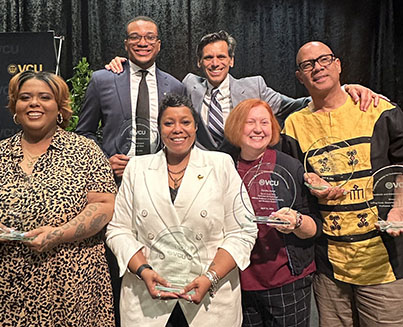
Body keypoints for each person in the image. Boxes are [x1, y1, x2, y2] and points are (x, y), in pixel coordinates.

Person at [0, 70, 116, 326]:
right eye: (25, 97)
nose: (34, 103)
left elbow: (104, 205)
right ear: (15, 106)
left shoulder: (85, 151)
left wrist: (59, 234)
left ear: (59, 107)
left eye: (44, 97)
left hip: (69, 293)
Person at [105, 94, 257, 327]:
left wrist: (210, 277)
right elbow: (118, 230)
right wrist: (143, 270)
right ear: (159, 128)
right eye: (169, 123)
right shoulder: (137, 168)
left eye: (185, 122)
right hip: (147, 299)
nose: (178, 129)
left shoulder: (220, 164)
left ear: (196, 127)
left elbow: (243, 230)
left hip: (210, 301)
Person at [281, 41, 403, 326]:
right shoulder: (294, 125)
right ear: (300, 76)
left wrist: (398, 209)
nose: (317, 67)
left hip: (383, 261)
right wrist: (311, 181)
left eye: (324, 59)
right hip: (329, 268)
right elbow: (294, 181)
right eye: (307, 64)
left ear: (338, 64)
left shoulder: (376, 109)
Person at [107, 30, 380, 152]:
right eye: (209, 58)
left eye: (221, 57)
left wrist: (342, 90)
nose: (215, 63)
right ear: (200, 63)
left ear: (231, 60)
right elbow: (154, 83)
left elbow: (295, 104)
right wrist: (123, 64)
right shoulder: (188, 84)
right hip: (199, 170)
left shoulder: (254, 86)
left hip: (243, 168)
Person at [224, 98, 322, 326]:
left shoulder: (289, 167)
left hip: (286, 280)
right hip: (239, 282)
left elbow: (316, 226)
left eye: (264, 122)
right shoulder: (223, 166)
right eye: (250, 122)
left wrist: (297, 222)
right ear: (236, 126)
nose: (258, 129)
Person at [76, 15, 186, 181]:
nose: (143, 43)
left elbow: (183, 134)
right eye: (135, 37)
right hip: (116, 180)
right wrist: (104, 161)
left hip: (162, 178)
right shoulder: (102, 81)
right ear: (126, 44)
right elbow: (84, 132)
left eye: (150, 37)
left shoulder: (175, 86)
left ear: (158, 45)